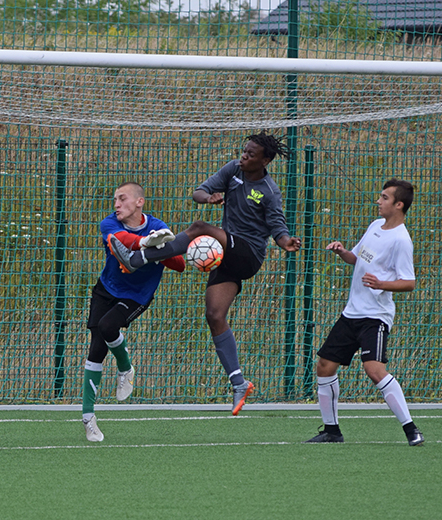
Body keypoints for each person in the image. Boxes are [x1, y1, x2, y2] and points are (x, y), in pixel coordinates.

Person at [108, 132, 301, 415]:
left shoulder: (269, 191)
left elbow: (277, 224)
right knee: (214, 315)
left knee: (199, 227)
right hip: (225, 254)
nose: (244, 156)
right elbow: (198, 192)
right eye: (244, 151)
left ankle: (139, 258)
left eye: (250, 154)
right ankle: (238, 383)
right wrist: (209, 197)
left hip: (248, 253)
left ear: (266, 160)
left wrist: (286, 242)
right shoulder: (233, 170)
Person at [305, 178, 423, 446]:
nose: (378, 201)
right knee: (324, 366)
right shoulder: (374, 227)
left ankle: (411, 429)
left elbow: (409, 282)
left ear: (399, 204)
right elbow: (357, 258)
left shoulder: (401, 240)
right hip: (352, 313)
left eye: (384, 197)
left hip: (375, 317)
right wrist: (343, 252)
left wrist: (382, 284)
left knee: (374, 370)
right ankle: (331, 431)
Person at [82, 182, 185, 442]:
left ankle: (125, 368)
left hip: (137, 296)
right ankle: (88, 418)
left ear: (139, 202)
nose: (116, 204)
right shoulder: (109, 224)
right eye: (114, 199)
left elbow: (180, 264)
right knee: (96, 348)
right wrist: (147, 244)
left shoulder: (158, 227)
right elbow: (124, 241)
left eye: (122, 198)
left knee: (108, 327)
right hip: (106, 289)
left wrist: (159, 251)